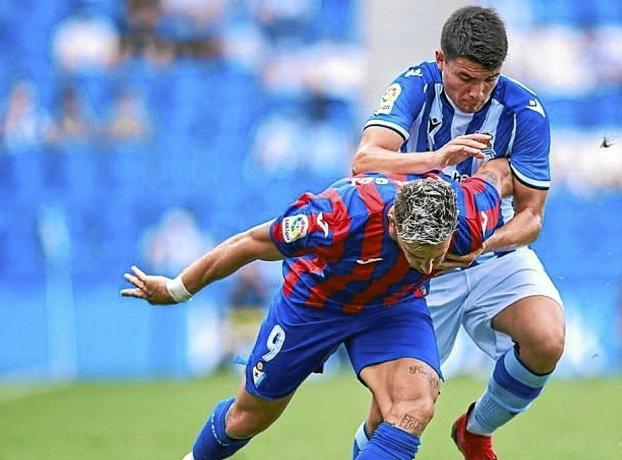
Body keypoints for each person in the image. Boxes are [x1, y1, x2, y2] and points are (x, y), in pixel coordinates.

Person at [121, 159, 511, 460]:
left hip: (393, 305)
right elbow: (249, 243)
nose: (429, 269)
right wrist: (176, 289)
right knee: (248, 416)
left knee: (415, 403)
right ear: (393, 223)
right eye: (418, 256)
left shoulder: (468, 214)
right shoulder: (338, 216)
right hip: (314, 303)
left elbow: (499, 172)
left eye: (435, 257)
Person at [351, 6, 564, 460]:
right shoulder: (414, 84)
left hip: (491, 254)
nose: (477, 92)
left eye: (488, 80)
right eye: (466, 78)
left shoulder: (523, 110)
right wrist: (437, 158)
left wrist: (476, 244)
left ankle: (475, 430)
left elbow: (531, 218)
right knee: (393, 409)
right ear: (441, 59)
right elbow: (365, 160)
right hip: (419, 266)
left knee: (547, 339)